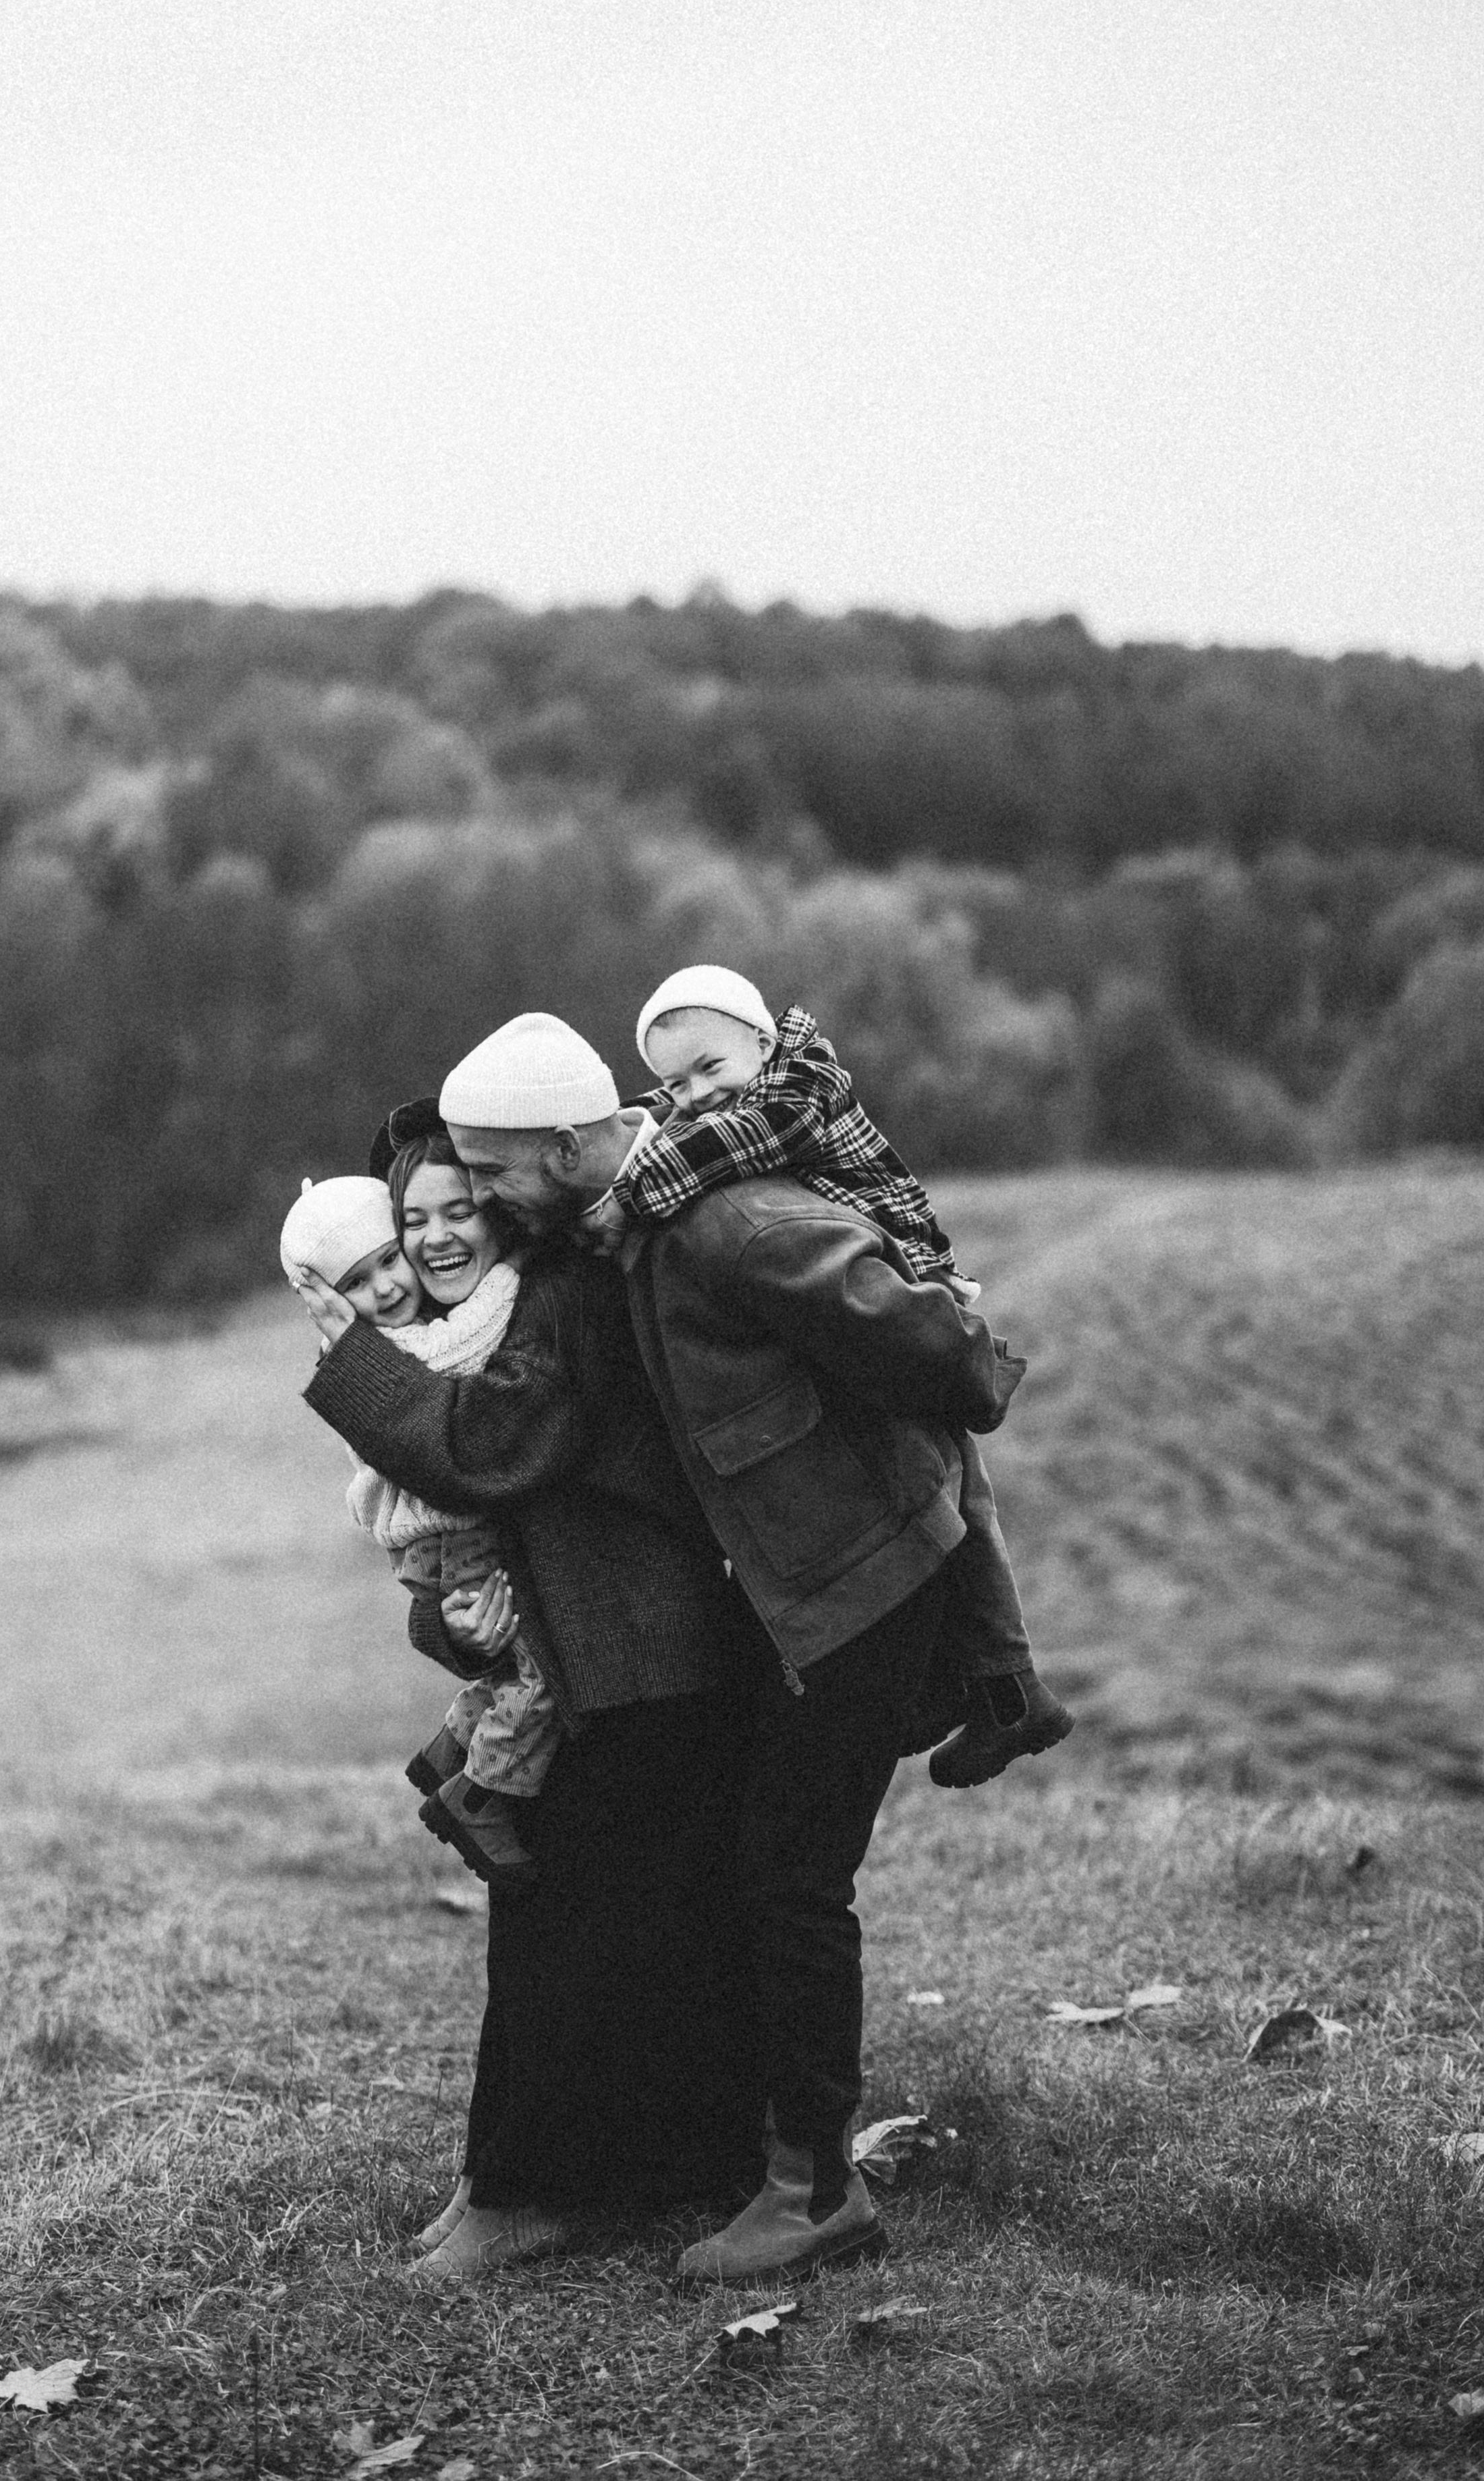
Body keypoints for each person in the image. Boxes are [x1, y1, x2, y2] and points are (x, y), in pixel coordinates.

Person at [432, 1010, 1037, 2284]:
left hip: (867, 1589)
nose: (476, 1196)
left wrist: (967, 1377)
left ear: (561, 1145)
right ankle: (758, 2159)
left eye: (489, 1171)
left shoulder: (733, 1224)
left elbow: (947, 1356)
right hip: (795, 1591)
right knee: (755, 1869)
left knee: (794, 1884)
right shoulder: (632, 1221)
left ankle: (818, 2194)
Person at [296, 1079, 774, 2283]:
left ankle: (541, 2193)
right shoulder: (487, 1327)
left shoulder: (557, 1303)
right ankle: (539, 2178)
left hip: (648, 1654)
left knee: (579, 1931)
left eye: (465, 1207)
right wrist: (454, 1625)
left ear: (511, 1209)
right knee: (584, 1924)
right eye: (415, 1222)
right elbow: (470, 1558)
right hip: (590, 1664)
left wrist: (351, 1361)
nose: (439, 1238)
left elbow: (484, 1452)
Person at [597, 961, 1071, 1791]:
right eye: (675, 1082)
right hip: (858, 1268)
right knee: (932, 1477)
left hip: (909, 1275)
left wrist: (625, 1194)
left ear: (763, 1041)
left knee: (951, 1478)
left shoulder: (797, 1090)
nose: (697, 1094)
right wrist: (633, 1121)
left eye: (712, 1069)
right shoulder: (723, 1096)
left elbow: (721, 1145)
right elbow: (680, 1124)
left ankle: (1007, 1683)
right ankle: (982, 1684)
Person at [277, 1159, 557, 1889]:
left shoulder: (386, 1341)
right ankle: (479, 1794)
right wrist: (513, 1270)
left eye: (387, 1264)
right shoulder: (385, 1350)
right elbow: (469, 1341)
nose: (389, 1287)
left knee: (508, 1664)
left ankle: (456, 1739)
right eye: (358, 1285)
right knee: (536, 1673)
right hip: (447, 1537)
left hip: (439, 1540)